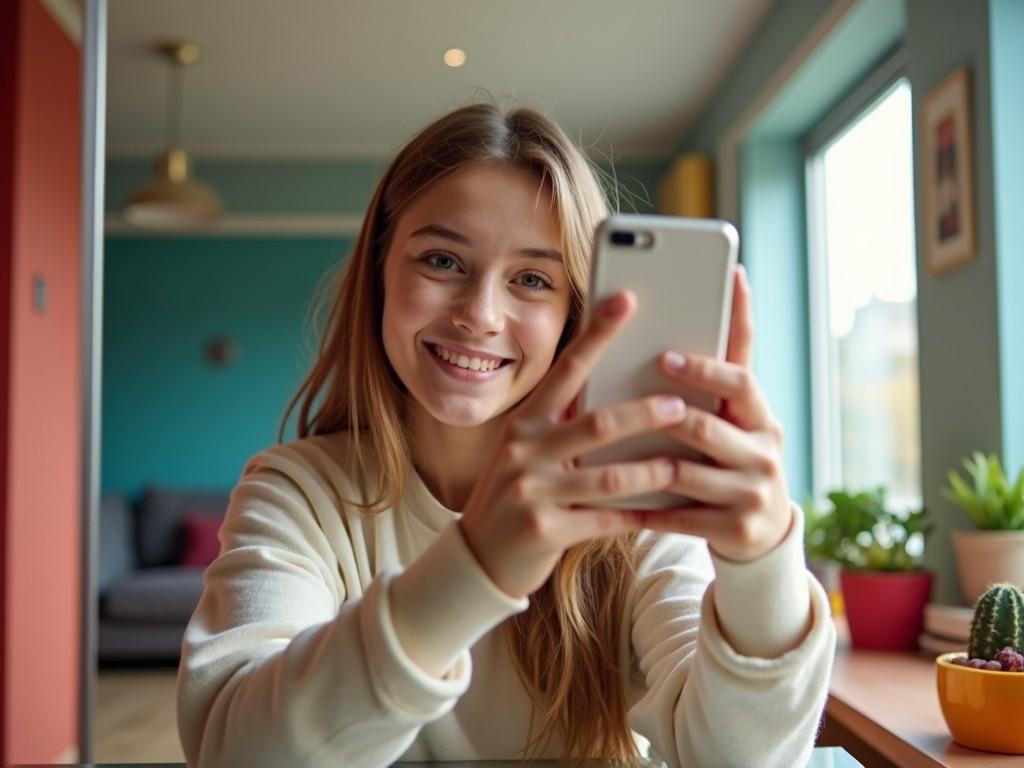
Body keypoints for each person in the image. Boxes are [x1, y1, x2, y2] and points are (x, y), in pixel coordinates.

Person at [176, 103, 836, 768]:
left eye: (531, 279)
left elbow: (734, 760)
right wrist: (476, 563)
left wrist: (763, 566)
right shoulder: (298, 493)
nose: (480, 315)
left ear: (574, 318)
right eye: (441, 259)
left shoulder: (633, 509)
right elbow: (235, 753)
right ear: (379, 277)